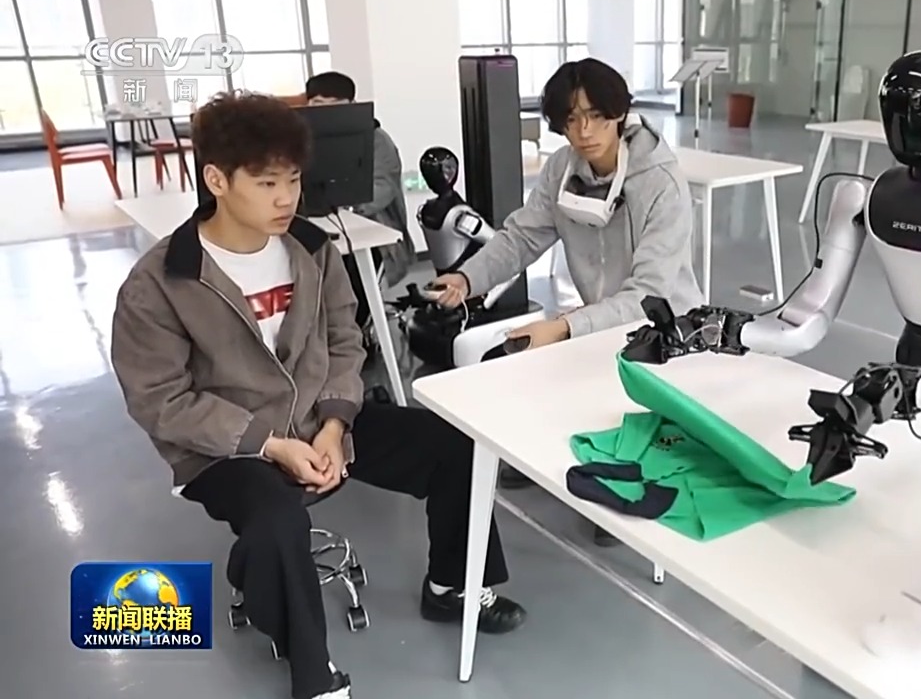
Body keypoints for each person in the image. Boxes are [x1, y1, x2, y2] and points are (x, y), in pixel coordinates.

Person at [110, 92, 526, 699]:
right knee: (276, 520)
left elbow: (344, 342)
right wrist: (270, 444)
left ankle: (452, 586)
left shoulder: (312, 249)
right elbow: (160, 400)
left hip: (319, 421)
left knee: (455, 444)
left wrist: (334, 425)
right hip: (224, 448)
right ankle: (313, 674)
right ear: (217, 180)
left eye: (294, 180)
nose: (286, 198)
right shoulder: (161, 281)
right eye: (267, 183)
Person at [431, 58, 703, 544]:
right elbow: (522, 237)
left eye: (595, 116)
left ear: (619, 113)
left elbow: (648, 296)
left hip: (667, 330)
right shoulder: (562, 168)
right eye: (571, 119)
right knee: (527, 362)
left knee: (570, 357)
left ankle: (625, 482)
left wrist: (564, 327)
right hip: (599, 319)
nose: (584, 131)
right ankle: (562, 454)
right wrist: (466, 279)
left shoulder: (660, 183)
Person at [304, 70, 415, 333]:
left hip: (376, 242)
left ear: (352, 106)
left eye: (335, 106)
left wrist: (342, 204)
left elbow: (381, 189)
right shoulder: (303, 141)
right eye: (317, 105)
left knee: (348, 277)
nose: (326, 114)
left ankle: (354, 334)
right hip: (321, 231)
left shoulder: (377, 140)